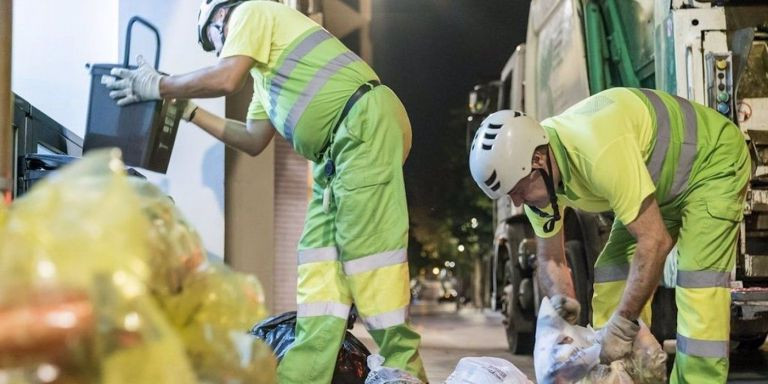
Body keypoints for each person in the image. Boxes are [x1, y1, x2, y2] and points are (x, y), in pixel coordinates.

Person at [105, 1, 427, 383]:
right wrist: (188, 110)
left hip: (362, 126)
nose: (218, 49)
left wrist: (160, 85)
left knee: (369, 254)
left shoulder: (252, 11)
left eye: (212, 40)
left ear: (219, 18)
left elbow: (226, 78)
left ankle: (404, 367)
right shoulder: (266, 81)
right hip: (334, 154)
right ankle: (303, 376)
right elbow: (253, 139)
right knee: (319, 267)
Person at [469, 87, 750, 383]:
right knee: (612, 269)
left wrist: (624, 324)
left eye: (517, 190)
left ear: (538, 160)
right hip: (662, 187)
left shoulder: (596, 148)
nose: (516, 202)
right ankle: (620, 374)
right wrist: (563, 306)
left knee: (698, 285)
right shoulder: (539, 183)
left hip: (711, 164)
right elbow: (551, 258)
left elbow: (654, 241)